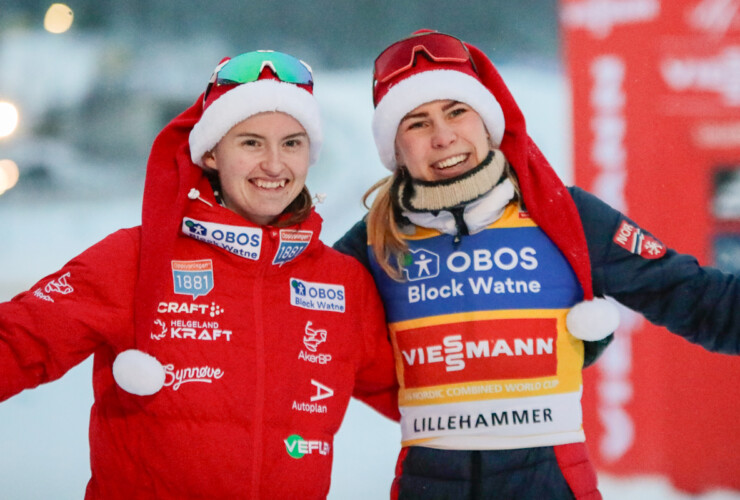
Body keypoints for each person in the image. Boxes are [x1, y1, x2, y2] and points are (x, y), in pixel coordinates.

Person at [334, 30, 740, 500]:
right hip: (429, 484)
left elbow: (698, 299)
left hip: (552, 482)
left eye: (456, 111)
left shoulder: (565, 215)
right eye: (417, 123)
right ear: (395, 147)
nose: (444, 138)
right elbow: (299, 332)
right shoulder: (372, 243)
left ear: (487, 122)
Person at [0, 50, 399, 499]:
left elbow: (423, 395)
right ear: (210, 153)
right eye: (250, 142)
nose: (274, 164)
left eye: (292, 143)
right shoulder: (138, 256)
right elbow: (17, 342)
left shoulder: (342, 283)